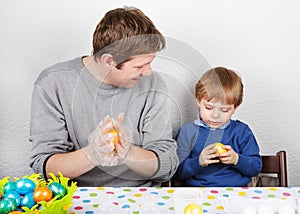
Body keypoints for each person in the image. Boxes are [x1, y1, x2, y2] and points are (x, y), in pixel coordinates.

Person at [30, 6, 178, 187]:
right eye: (139, 66)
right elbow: (44, 167)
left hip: (142, 196)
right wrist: (93, 154)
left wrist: (128, 152)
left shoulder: (153, 84)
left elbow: (167, 165)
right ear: (109, 61)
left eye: (149, 63)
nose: (147, 72)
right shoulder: (53, 83)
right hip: (78, 197)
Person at [174, 67, 262, 187]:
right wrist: (198, 161)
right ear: (198, 101)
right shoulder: (187, 132)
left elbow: (256, 168)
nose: (215, 116)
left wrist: (236, 159)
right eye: (209, 108)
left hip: (237, 193)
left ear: (235, 107)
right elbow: (178, 172)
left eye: (224, 110)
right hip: (199, 193)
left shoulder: (241, 131)